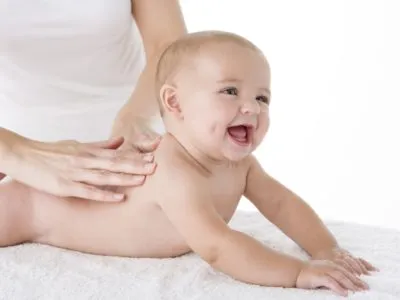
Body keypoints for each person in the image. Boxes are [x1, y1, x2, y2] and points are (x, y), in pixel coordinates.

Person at [0, 31, 378, 297]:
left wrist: (325, 248)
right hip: (30, 206)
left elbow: (283, 205)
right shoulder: (172, 169)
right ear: (175, 104)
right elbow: (217, 246)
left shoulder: (241, 166)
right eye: (230, 91)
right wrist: (297, 272)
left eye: (263, 98)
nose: (251, 107)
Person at [0, 0, 187, 201]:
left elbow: (170, 45)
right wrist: (18, 154)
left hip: (136, 129)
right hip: (19, 150)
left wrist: (135, 117)